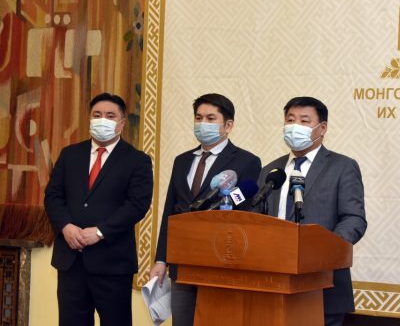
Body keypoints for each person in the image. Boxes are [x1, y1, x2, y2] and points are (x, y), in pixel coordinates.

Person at [149, 93, 261, 326]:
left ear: (228, 125)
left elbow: (245, 211)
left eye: (211, 118)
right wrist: (161, 260)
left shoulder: (247, 161)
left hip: (219, 263)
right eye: (198, 118)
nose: (203, 124)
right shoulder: (182, 160)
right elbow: (170, 210)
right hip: (182, 263)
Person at [44, 92, 153, 326]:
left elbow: (137, 204)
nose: (102, 119)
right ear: (89, 119)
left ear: (121, 123)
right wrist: (66, 227)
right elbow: (53, 195)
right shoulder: (70, 154)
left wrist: (101, 231)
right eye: (97, 114)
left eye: (110, 115)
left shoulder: (137, 160)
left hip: (113, 263)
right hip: (71, 261)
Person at [257, 96, 367, 326]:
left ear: (322, 128)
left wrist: (323, 251)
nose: (295, 126)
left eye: (304, 121)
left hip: (323, 285)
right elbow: (257, 220)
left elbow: (354, 219)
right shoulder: (271, 171)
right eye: (290, 120)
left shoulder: (342, 166)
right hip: (272, 285)